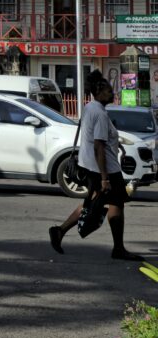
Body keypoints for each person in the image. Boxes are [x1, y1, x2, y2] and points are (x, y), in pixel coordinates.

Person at [49, 76, 142, 260]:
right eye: (108, 91)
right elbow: (98, 145)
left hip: (92, 166)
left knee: (92, 203)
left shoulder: (90, 107)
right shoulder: (99, 113)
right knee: (116, 204)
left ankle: (59, 231)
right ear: (99, 93)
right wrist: (105, 178)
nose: (112, 94)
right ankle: (118, 249)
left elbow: (98, 140)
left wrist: (116, 146)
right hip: (104, 169)